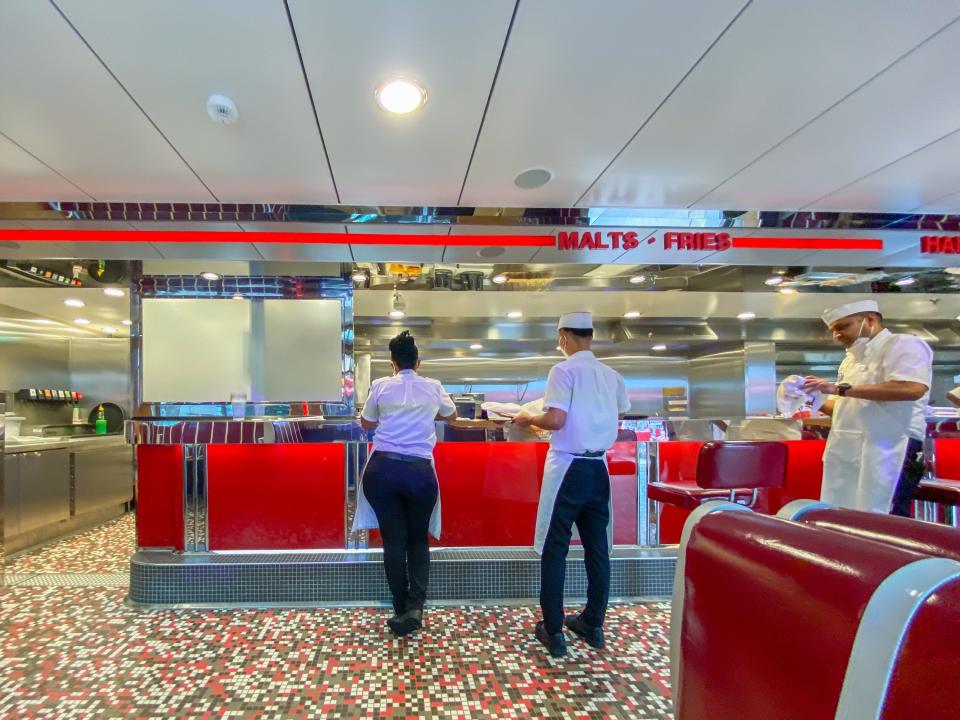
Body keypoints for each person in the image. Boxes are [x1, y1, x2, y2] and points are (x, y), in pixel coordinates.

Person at [513, 311, 630, 657]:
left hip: (567, 468)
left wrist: (526, 417)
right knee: (597, 549)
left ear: (563, 337)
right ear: (589, 336)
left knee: (555, 548)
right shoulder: (611, 375)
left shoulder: (562, 371)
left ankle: (553, 631)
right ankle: (593, 625)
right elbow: (619, 414)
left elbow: (556, 419)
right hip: (599, 469)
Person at [353, 330, 458, 636]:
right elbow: (451, 416)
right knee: (417, 540)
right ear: (418, 362)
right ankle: (415, 606)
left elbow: (367, 422)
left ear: (393, 364)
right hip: (419, 472)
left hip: (382, 470)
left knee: (394, 540)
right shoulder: (433, 386)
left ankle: (401, 607)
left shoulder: (381, 385)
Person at [802, 300, 932, 516]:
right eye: (833, 331)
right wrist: (813, 399)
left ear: (870, 320)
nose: (837, 336)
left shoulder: (903, 344)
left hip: (891, 449)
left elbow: (912, 388)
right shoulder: (849, 361)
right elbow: (849, 406)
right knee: (845, 514)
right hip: (848, 449)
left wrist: (839, 389)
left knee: (883, 518)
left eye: (843, 327)